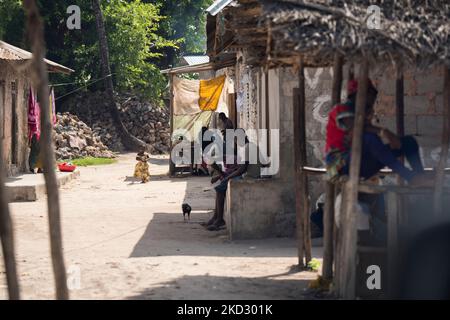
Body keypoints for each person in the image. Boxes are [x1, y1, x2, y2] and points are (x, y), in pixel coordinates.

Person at [325, 79, 433, 186]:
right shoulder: (341, 109)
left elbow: (368, 138)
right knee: (369, 138)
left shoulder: (361, 114)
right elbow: (356, 128)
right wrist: (384, 132)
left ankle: (420, 177)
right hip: (340, 167)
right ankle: (410, 177)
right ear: (360, 94)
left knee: (409, 142)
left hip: (360, 164)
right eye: (372, 94)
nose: (373, 98)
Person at [206, 129, 249, 231]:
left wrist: (227, 177)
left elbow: (242, 169)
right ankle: (216, 217)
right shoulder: (244, 148)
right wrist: (223, 176)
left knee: (220, 189)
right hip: (240, 172)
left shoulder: (247, 148)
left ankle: (219, 218)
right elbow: (237, 167)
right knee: (219, 188)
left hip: (246, 176)